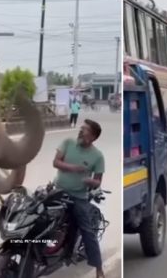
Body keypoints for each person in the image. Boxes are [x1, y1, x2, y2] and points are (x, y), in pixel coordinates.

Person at [53, 119, 106, 278]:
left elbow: (97, 182)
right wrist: (73, 168)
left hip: (78, 197)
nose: (80, 131)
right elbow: (56, 162)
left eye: (85, 130)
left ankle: (99, 269)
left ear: (93, 136)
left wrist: (91, 182)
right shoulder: (68, 143)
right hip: (58, 192)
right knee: (40, 217)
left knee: (88, 231)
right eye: (81, 128)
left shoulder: (98, 156)